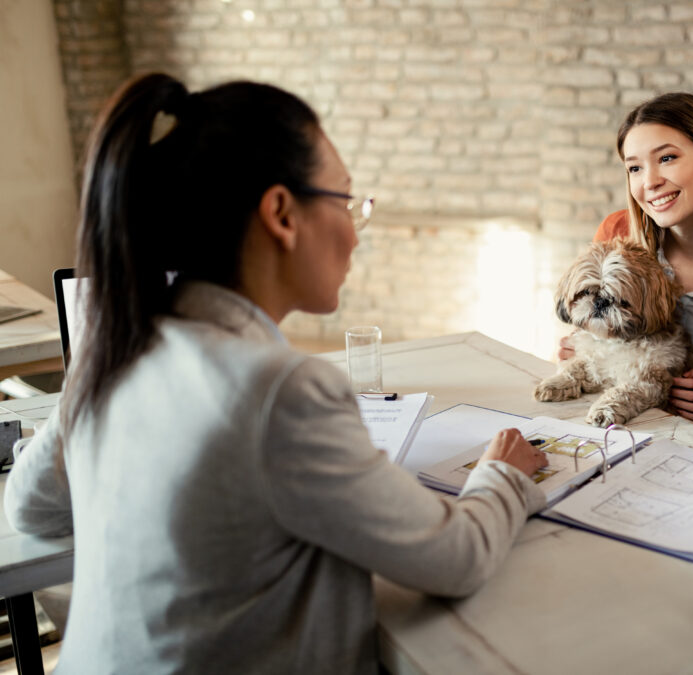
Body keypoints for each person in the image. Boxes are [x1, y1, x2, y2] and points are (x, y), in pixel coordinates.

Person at [3, 73, 548, 674]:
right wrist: (500, 474)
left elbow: (29, 508)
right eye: (345, 201)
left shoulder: (116, 349)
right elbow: (457, 556)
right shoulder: (279, 389)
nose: (354, 231)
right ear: (282, 213)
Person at [560, 92, 693, 441]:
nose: (649, 182)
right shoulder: (617, 232)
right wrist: (584, 344)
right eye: (635, 167)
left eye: (667, 158)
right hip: (616, 433)